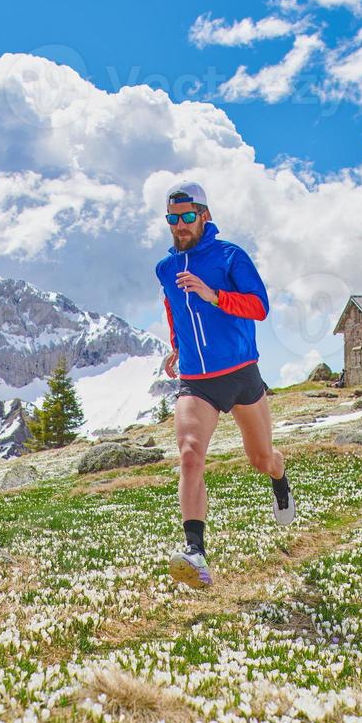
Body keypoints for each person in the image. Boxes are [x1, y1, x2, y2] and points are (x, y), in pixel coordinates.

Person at [154, 182, 295, 589]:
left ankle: (279, 475)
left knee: (260, 458)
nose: (179, 226)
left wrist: (214, 295)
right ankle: (195, 552)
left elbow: (259, 306)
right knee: (190, 454)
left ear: (204, 216)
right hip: (196, 382)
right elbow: (171, 305)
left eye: (186, 217)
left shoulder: (230, 255)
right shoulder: (165, 269)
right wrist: (177, 346)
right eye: (172, 219)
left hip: (241, 373)